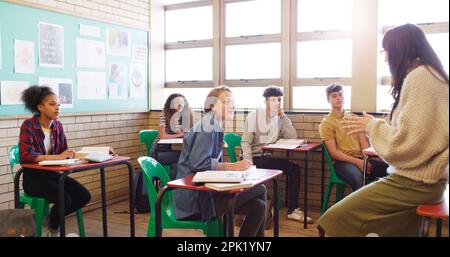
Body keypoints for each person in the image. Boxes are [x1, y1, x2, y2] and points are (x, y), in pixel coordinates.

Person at [317, 23, 449, 237]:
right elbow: (418, 134)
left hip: (413, 182)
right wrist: (372, 130)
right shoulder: (433, 76)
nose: (385, 57)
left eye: (385, 50)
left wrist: (370, 126)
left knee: (331, 222)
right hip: (426, 181)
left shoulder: (420, 78)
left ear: (400, 49)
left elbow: (406, 144)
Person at [173, 86, 267, 237]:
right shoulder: (208, 125)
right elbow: (199, 165)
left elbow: (210, 167)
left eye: (233, 102)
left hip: (205, 193)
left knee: (259, 207)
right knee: (260, 189)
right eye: (227, 102)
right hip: (196, 201)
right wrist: (232, 166)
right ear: (213, 106)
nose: (232, 106)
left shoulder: (213, 124)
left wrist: (232, 171)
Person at [19, 86, 91, 237]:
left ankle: (50, 221)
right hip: (34, 179)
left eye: (58, 104)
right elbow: (25, 155)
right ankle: (54, 228)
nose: (57, 107)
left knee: (84, 196)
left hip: (53, 175)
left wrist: (95, 154)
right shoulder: (29, 125)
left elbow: (64, 152)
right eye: (52, 104)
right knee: (65, 199)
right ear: (40, 107)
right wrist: (55, 157)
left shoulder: (58, 126)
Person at [241, 86, 312, 223]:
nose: (277, 103)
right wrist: (249, 165)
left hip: (266, 157)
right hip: (254, 158)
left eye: (279, 100)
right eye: (273, 100)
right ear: (266, 101)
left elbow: (293, 137)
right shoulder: (253, 117)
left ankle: (292, 210)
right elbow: (245, 143)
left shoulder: (279, 118)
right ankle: (292, 209)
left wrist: (284, 118)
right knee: (293, 169)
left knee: (294, 168)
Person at [319, 83, 388, 191]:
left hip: (360, 158)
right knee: (358, 178)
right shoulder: (327, 122)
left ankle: (381, 207)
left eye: (340, 95)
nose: (338, 98)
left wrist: (365, 161)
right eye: (334, 96)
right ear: (328, 99)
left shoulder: (354, 118)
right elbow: (333, 153)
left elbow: (364, 145)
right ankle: (363, 207)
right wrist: (357, 162)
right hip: (341, 163)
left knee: (389, 171)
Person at [153, 93, 193, 179]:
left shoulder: (183, 116)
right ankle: (173, 188)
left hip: (171, 150)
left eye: (182, 102)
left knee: (177, 165)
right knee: (183, 157)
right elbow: (162, 136)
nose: (180, 104)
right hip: (159, 152)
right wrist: (178, 135)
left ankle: (172, 188)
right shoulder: (164, 115)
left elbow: (188, 134)